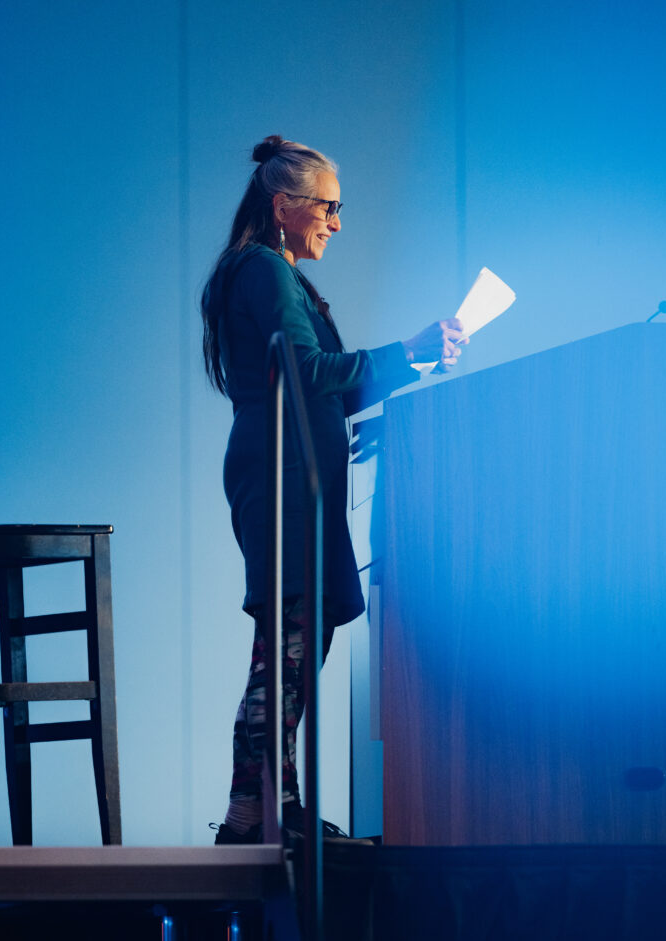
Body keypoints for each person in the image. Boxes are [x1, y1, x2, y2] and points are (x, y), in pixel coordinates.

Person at [201, 135, 468, 844]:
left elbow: (325, 395)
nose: (338, 223)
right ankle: (249, 817)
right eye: (329, 206)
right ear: (284, 206)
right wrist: (405, 351)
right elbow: (308, 374)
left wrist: (412, 366)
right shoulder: (262, 271)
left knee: (295, 647)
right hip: (283, 477)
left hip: (295, 472)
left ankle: (267, 811)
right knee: (286, 649)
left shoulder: (276, 274)